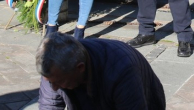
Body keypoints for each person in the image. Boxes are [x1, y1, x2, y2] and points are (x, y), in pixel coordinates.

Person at [36, 32, 166, 109]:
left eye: (58, 82)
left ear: (80, 68)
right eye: (49, 81)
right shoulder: (52, 69)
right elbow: (49, 105)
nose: (53, 87)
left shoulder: (121, 69)